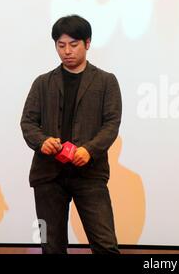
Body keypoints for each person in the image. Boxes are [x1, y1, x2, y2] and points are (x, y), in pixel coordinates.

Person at [20, 15, 122, 254]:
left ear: (87, 43)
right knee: (50, 245)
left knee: (105, 244)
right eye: (61, 45)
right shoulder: (42, 83)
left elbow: (111, 124)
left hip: (90, 174)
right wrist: (41, 141)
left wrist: (89, 149)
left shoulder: (106, 81)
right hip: (47, 177)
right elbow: (27, 122)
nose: (67, 51)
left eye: (73, 44)